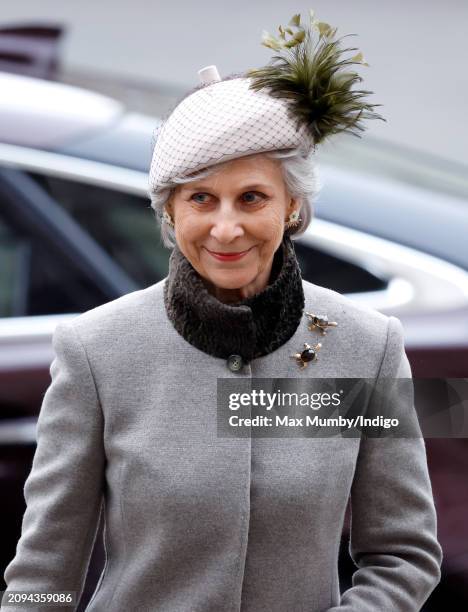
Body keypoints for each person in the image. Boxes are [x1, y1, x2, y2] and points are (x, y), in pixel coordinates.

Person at [2, 10, 442, 612]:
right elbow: (41, 582)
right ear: (170, 213)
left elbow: (404, 555)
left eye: (252, 197)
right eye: (201, 199)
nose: (225, 227)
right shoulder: (96, 350)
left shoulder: (367, 346)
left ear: (291, 207)